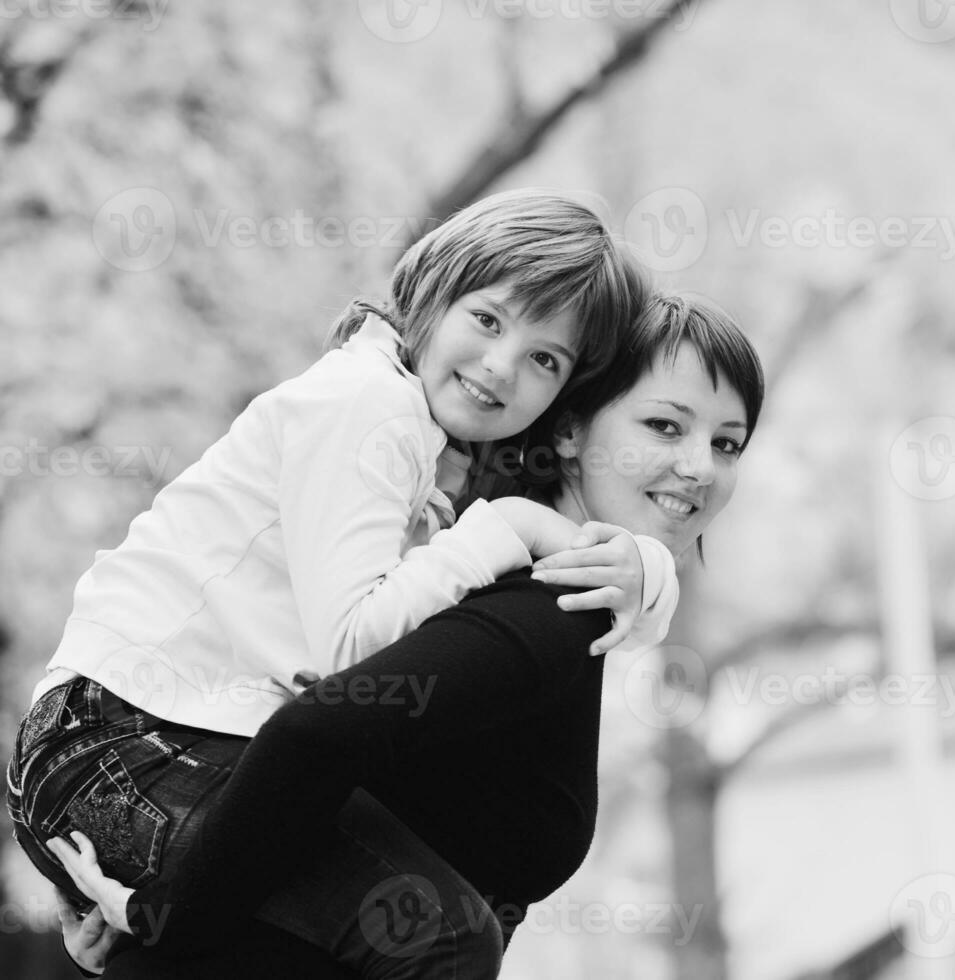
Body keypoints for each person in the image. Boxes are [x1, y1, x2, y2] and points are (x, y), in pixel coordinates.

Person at [5, 189, 682, 974]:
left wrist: (648, 570)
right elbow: (353, 648)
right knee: (438, 934)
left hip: (163, 742)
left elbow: (592, 530)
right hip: (122, 739)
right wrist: (507, 532)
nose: (502, 366)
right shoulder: (370, 407)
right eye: (488, 320)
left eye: (545, 359)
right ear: (434, 292)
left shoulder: (436, 441)